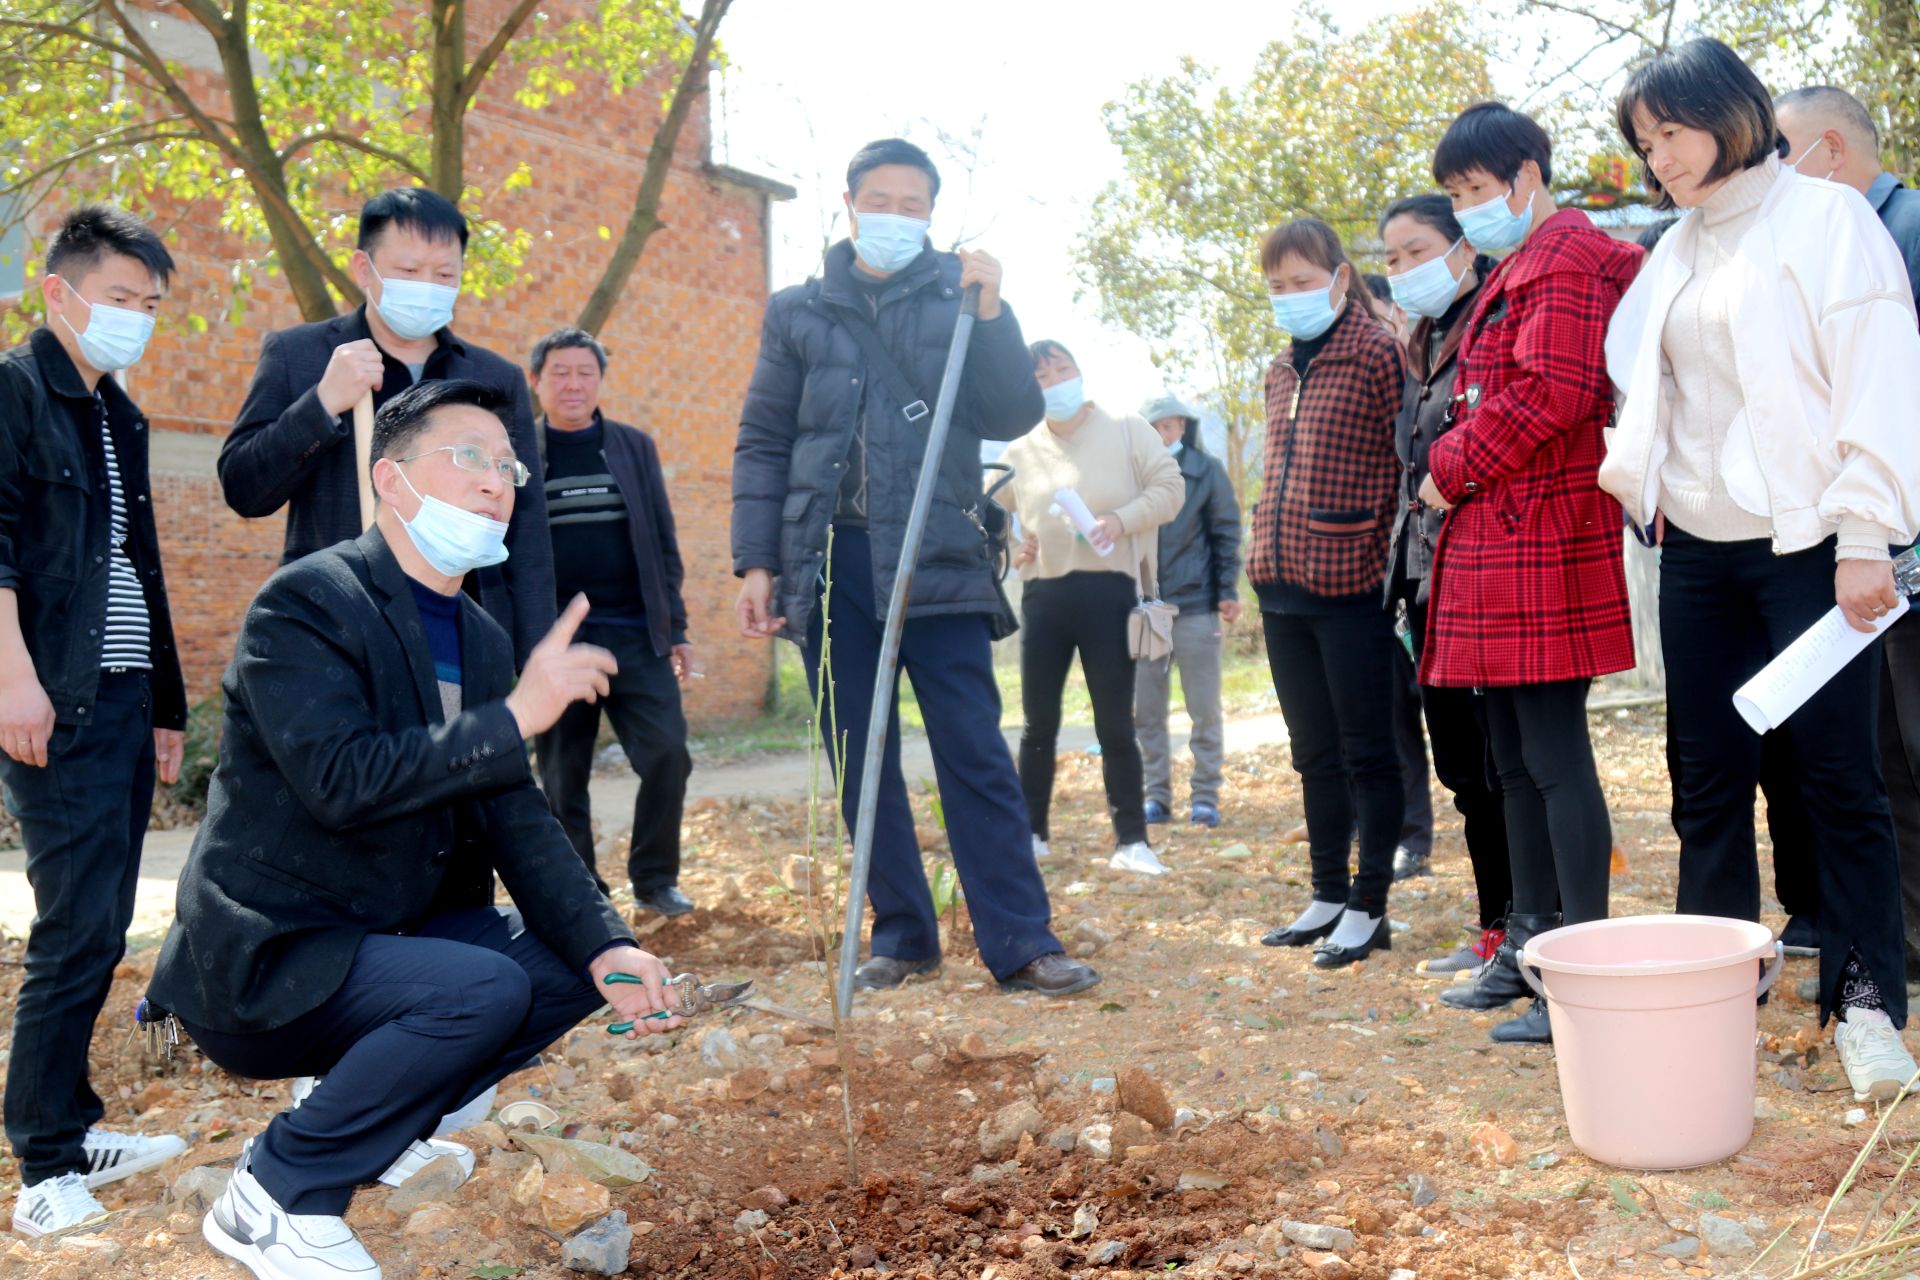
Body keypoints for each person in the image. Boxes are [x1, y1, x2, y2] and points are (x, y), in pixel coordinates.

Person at [147, 380, 680, 1280]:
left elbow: (518, 815)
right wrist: (514, 719)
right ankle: (276, 1192)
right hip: (273, 959)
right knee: (477, 990)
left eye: (508, 464)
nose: (497, 480)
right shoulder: (307, 603)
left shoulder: (479, 637)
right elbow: (340, 781)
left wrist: (607, 943)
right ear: (391, 481)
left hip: (384, 946)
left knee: (566, 959)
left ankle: (374, 1125)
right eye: (467, 456)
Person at [1602, 40, 1920, 1099]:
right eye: (1645, 145)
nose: (1660, 159)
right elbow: (1645, 388)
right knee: (1707, 783)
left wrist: (1867, 533)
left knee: (1839, 779)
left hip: (1809, 550)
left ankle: (1869, 1000)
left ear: (1730, 112)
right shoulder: (1674, 248)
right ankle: (1712, 1004)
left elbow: (1875, 377)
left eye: (1672, 133)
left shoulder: (1828, 220)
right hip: (1696, 551)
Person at [732, 138, 1098, 996]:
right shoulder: (798, 311)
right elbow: (763, 440)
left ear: (932, 214)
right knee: (862, 754)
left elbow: (1011, 409)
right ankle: (902, 934)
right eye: (880, 200)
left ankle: (1022, 941)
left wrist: (998, 311)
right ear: (849, 203)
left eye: (913, 204)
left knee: (973, 750)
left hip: (937, 557)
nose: (896, 216)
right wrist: (756, 563)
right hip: (830, 563)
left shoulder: (959, 298)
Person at [1420, 103, 1642, 1045]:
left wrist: (1448, 465)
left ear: (1527, 176)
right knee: (1511, 760)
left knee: (1552, 758)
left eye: (1478, 191)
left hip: (1541, 529)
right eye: (1459, 195)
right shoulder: (1517, 263)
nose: (1470, 209)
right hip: (1499, 535)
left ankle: (1579, 967)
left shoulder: (1566, 257)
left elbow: (1555, 391)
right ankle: (1529, 939)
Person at [1, 207, 191, 1236]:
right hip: (48, 692)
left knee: (105, 920)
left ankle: (72, 1126)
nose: (137, 318)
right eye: (121, 299)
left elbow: (139, 569)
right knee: (73, 925)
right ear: (59, 292)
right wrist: (9, 678)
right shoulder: (13, 389)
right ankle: (41, 1163)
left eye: (150, 304)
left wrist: (165, 702)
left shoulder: (120, 413)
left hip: (118, 691)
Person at [219, 187, 555, 668]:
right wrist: (321, 404)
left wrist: (535, 653)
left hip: (463, 628)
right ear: (364, 269)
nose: (428, 285)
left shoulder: (492, 378)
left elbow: (527, 529)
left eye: (444, 274)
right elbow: (243, 488)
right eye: (408, 271)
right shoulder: (301, 355)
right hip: (334, 627)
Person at [1634, 215, 1823, 960]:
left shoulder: (1777, 287)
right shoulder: (1652, 323)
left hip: (1788, 547)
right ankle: (1716, 953)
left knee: (1803, 756)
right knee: (1703, 767)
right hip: (1691, 556)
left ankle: (1816, 918)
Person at [1776, 84, 1920, 983]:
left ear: (1830, 150)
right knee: (1888, 753)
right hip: (1868, 547)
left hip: (1906, 533)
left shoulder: (1908, 232)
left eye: (1781, 152)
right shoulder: (1822, 253)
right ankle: (1904, 936)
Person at [1247, 217, 1406, 970]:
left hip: (1351, 586)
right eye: (1277, 286)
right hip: (1280, 586)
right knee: (1312, 753)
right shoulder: (1280, 369)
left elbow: (1406, 466)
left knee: (1367, 752)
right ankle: (1326, 892)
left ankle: (1370, 904)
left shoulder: (1380, 354)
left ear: (1341, 279)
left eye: (1303, 282)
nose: (1290, 297)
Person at [1377, 194, 1513, 976]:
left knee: (1509, 768)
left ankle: (1537, 923)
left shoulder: (1493, 327)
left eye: (1417, 250)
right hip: (1427, 578)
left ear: (1463, 247)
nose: (1404, 270)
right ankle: (1495, 924)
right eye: (1392, 259)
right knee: (1462, 769)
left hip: (1489, 575)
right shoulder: (1420, 343)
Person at [526, 326, 696, 916]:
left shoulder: (633, 447)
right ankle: (582, 894)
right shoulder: (521, 453)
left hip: (635, 633)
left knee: (669, 754)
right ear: (536, 381)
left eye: (585, 372)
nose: (574, 384)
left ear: (599, 379)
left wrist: (675, 628)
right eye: (561, 373)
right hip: (558, 644)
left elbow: (664, 542)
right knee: (563, 774)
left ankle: (654, 879)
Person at [996, 344, 1182, 873]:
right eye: (1042, 375)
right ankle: (1031, 834)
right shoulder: (1019, 451)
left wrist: (1121, 520)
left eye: (1063, 369)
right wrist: (1013, 548)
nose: (1056, 381)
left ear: (1080, 371)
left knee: (1114, 724)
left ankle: (1132, 842)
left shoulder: (1127, 429)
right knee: (1038, 723)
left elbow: (1170, 488)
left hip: (1111, 592)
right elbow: (986, 511)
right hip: (1045, 596)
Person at [1132, 394, 1241, 830]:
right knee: (1148, 710)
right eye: (1156, 428)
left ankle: (1205, 798)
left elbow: (1226, 533)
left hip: (1196, 604)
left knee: (1204, 708)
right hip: (1145, 607)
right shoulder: (1132, 475)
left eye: (1171, 426)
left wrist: (1227, 590)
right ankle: (1156, 797)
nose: (1165, 434)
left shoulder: (1206, 471)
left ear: (1182, 427)